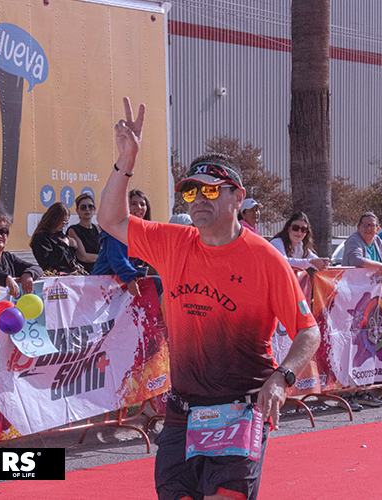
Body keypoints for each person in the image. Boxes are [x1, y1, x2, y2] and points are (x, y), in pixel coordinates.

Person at [97, 97, 320, 500]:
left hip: (240, 408)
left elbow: (308, 331)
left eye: (211, 190)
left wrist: (282, 378)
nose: (199, 198)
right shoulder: (173, 242)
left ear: (238, 197)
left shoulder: (266, 259)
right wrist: (126, 161)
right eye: (191, 192)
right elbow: (111, 219)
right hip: (183, 410)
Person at [342, 212, 382, 409]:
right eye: (365, 225)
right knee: (350, 346)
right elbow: (356, 259)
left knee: (367, 346)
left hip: (371, 303)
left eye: (372, 225)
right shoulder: (354, 240)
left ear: (378, 229)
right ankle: (345, 393)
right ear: (358, 227)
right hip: (351, 302)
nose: (369, 229)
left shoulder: (377, 242)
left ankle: (362, 391)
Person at [93, 189, 162, 297]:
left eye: (142, 204)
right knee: (156, 283)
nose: (139, 207)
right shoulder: (117, 228)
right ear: (124, 207)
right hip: (102, 286)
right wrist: (130, 279)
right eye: (133, 204)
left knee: (158, 283)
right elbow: (117, 259)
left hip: (121, 282)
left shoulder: (142, 232)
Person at [30, 202, 81, 274]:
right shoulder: (41, 237)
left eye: (66, 223)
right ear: (54, 220)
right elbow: (47, 262)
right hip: (54, 275)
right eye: (62, 223)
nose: (64, 226)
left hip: (69, 274)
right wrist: (63, 245)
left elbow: (68, 260)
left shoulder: (60, 234)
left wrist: (73, 247)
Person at [67, 193, 100, 273]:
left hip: (100, 271)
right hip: (83, 274)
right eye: (83, 207)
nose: (87, 209)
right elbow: (83, 257)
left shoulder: (97, 229)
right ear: (77, 211)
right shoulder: (73, 230)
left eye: (90, 206)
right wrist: (106, 258)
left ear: (95, 209)